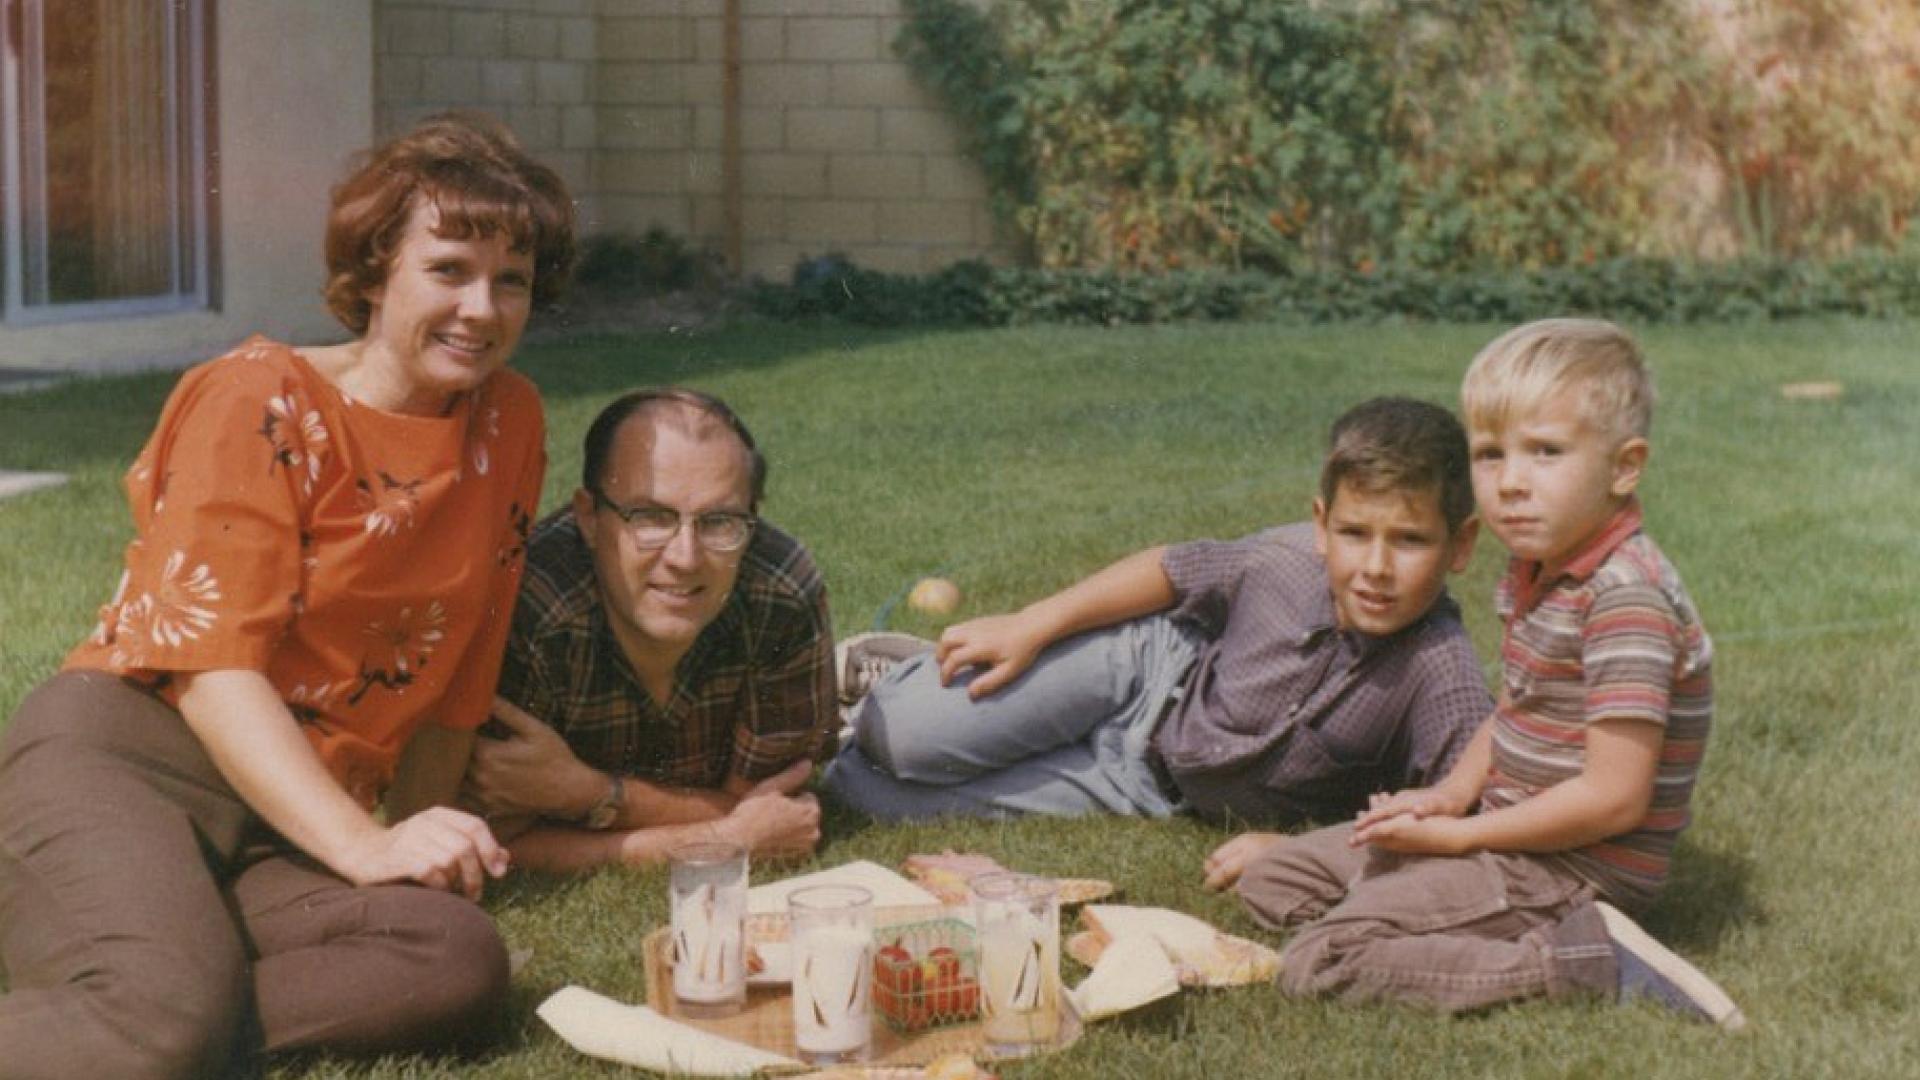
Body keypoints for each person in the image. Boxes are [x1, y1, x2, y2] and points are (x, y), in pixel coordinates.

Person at [0, 113, 576, 1078]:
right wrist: (358, 845)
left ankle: (144, 997)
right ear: (376, 268)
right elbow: (214, 669)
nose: (481, 308)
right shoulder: (259, 396)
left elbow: (460, 678)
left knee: (452, 955)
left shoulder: (505, 421)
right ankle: (148, 1005)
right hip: (132, 758)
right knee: (165, 1016)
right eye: (448, 270)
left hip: (281, 818)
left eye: (509, 280)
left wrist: (414, 860)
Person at [1232, 319, 1744, 1028]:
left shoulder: (1624, 598)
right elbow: (1517, 709)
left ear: (1625, 467)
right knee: (1273, 879)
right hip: (1509, 838)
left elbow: (1616, 799)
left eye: (1544, 453)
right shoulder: (1544, 568)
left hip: (1572, 870)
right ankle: (1432, 922)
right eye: (1490, 454)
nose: (1510, 483)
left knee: (1320, 960)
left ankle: (1582, 957)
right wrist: (1445, 798)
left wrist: (1461, 839)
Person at [823, 397, 1493, 870]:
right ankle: (891, 674)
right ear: (1322, 524)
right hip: (1138, 673)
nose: (1375, 567)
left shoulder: (1440, 670)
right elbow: (1173, 569)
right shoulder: (1283, 562)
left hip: (1142, 786)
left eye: (1409, 541)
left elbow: (1453, 817)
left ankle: (891, 719)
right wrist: (1033, 624)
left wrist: (1298, 851)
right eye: (1354, 534)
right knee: (900, 733)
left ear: (1460, 545)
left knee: (859, 792)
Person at [459, 388, 831, 873]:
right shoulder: (529, 608)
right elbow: (495, 843)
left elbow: (773, 809)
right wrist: (726, 838)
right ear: (589, 518)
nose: (685, 558)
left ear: (752, 522)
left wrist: (585, 792)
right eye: (651, 517)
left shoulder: (780, 591)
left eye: (719, 522)